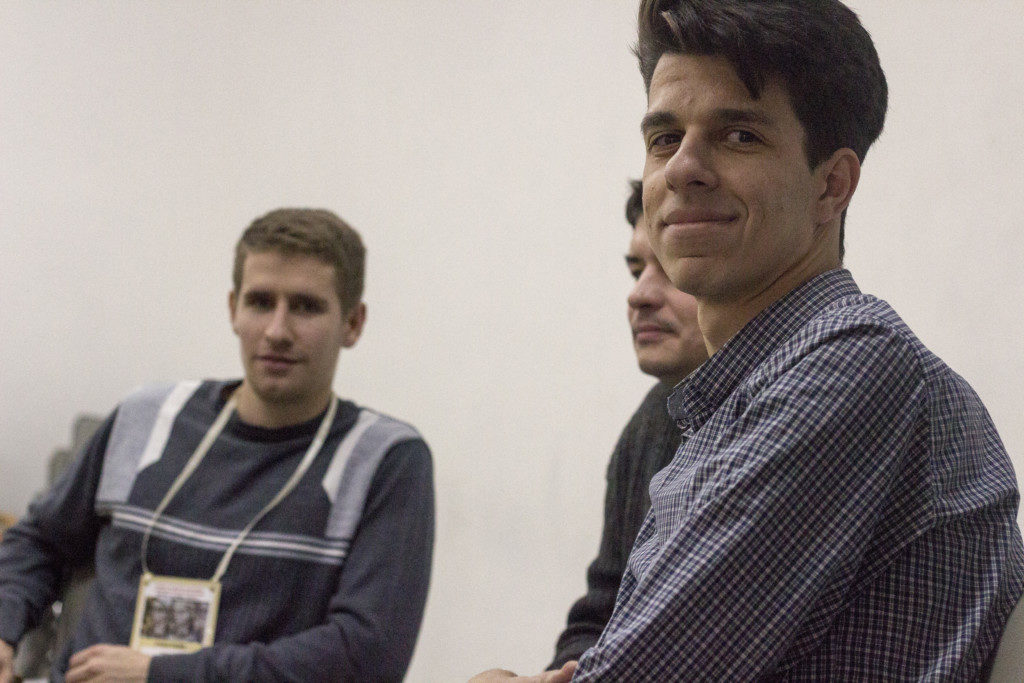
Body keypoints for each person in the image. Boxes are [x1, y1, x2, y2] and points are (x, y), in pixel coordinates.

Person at [475, 1, 1024, 680]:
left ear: (832, 185)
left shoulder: (853, 368)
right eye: (663, 138)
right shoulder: (732, 396)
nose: (682, 168)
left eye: (739, 135)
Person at [0, 208, 435, 682]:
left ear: (353, 322)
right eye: (260, 302)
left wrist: (162, 675)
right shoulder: (147, 417)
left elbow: (366, 656)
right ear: (233, 309)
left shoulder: (385, 460)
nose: (277, 331)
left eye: (306, 307)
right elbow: (38, 542)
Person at [547, 180, 705, 669]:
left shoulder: (792, 410)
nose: (639, 295)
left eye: (672, 270)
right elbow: (601, 614)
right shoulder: (653, 420)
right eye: (636, 270)